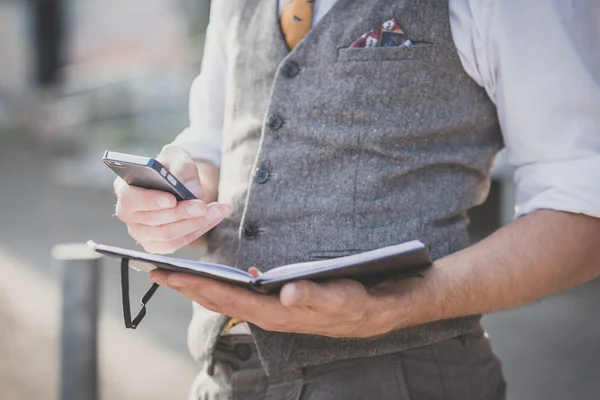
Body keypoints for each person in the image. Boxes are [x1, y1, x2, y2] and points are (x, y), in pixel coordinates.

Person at [113, 1, 600, 399]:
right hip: (223, 377)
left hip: (400, 378)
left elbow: (584, 215)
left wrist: (391, 309)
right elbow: (213, 143)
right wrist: (176, 194)